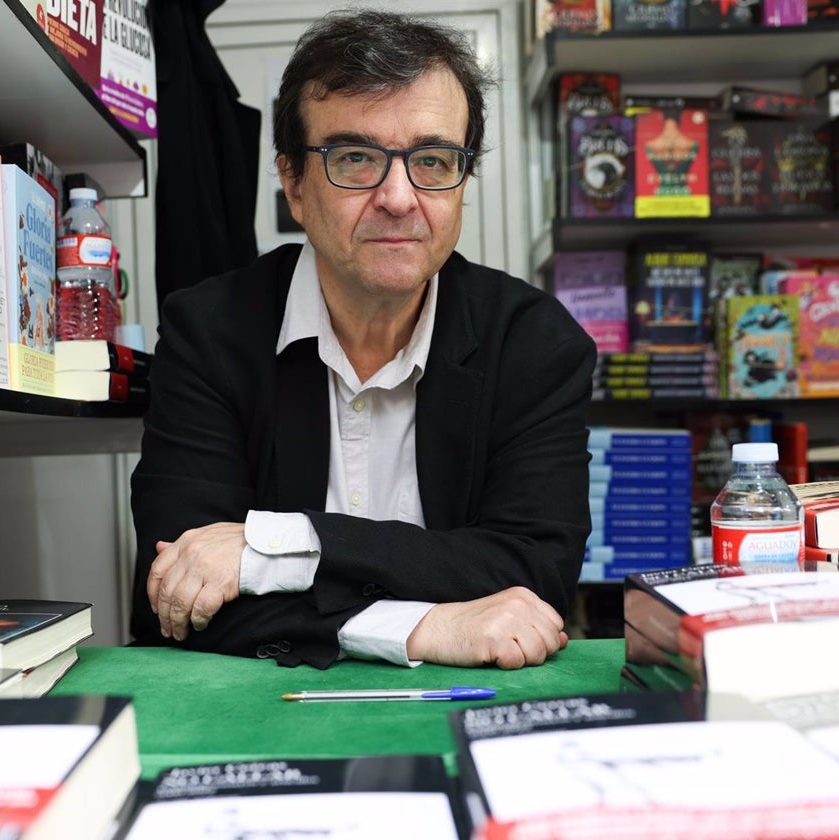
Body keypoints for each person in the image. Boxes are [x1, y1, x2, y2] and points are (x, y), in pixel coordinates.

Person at [130, 9, 596, 669]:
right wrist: (426, 628)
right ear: (292, 182)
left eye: (433, 160)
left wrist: (278, 547)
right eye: (355, 158)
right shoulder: (208, 332)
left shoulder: (534, 343)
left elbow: (534, 573)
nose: (399, 197)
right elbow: (176, 597)